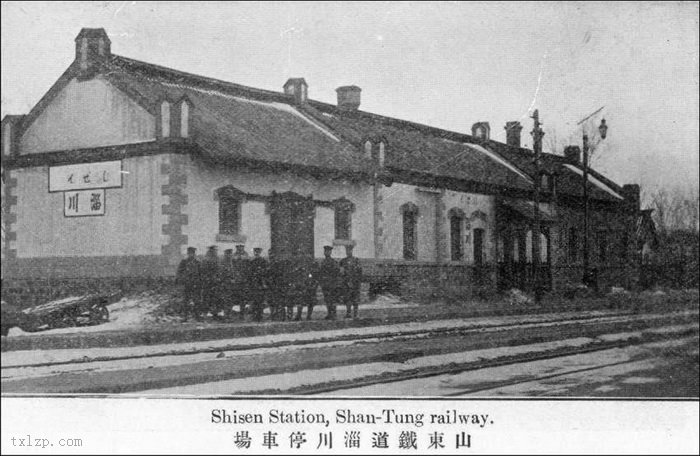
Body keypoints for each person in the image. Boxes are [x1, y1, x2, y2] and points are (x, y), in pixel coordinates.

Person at [175, 247, 201, 320]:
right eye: (190, 253)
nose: (191, 255)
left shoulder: (197, 262)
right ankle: (185, 316)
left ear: (194, 253)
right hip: (187, 284)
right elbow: (179, 272)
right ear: (188, 253)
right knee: (186, 301)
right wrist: (181, 280)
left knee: (196, 300)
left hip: (195, 284)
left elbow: (201, 273)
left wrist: (199, 281)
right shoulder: (184, 261)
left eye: (192, 253)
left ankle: (197, 316)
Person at [317, 245, 340, 320]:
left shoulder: (333, 262)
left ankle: (334, 314)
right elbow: (320, 273)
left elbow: (336, 272)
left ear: (330, 252)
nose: (326, 252)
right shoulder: (323, 262)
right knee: (327, 299)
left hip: (332, 284)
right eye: (325, 251)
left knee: (332, 299)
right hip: (325, 284)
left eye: (328, 251)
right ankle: (329, 313)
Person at [339, 244, 362, 319]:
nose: (348, 251)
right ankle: (348, 313)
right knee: (347, 299)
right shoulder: (343, 261)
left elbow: (359, 272)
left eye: (350, 250)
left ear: (352, 251)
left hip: (355, 283)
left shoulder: (356, 260)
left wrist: (356, 281)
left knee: (355, 299)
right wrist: (346, 281)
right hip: (346, 283)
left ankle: (356, 314)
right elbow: (341, 273)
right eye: (347, 250)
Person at [200, 245, 220, 319]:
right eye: (214, 250)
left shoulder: (217, 259)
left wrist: (217, 277)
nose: (215, 252)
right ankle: (205, 313)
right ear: (210, 251)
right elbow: (203, 271)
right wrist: (208, 278)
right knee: (206, 298)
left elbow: (219, 270)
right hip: (207, 282)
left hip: (215, 282)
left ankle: (215, 313)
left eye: (215, 250)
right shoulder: (206, 259)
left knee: (215, 298)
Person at [249, 247, 268, 322]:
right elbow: (249, 272)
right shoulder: (252, 261)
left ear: (260, 252)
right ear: (254, 252)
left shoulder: (263, 261)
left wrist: (264, 282)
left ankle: (260, 315)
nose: (256, 253)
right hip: (254, 283)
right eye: (255, 252)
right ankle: (255, 315)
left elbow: (265, 272)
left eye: (258, 252)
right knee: (254, 300)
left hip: (260, 283)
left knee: (260, 300)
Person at [231, 245, 250, 320]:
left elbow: (248, 268)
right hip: (235, 281)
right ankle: (232, 315)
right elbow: (232, 268)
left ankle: (242, 315)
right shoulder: (234, 256)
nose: (240, 249)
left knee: (243, 299)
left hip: (244, 281)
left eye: (241, 248)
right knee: (234, 298)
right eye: (238, 248)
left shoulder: (246, 256)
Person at [217, 249, 235, 320]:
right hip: (224, 284)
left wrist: (233, 279)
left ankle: (229, 315)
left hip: (230, 285)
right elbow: (221, 273)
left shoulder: (231, 262)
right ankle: (225, 315)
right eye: (228, 254)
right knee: (225, 300)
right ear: (225, 254)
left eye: (230, 254)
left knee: (230, 300)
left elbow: (233, 273)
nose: (229, 255)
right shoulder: (222, 262)